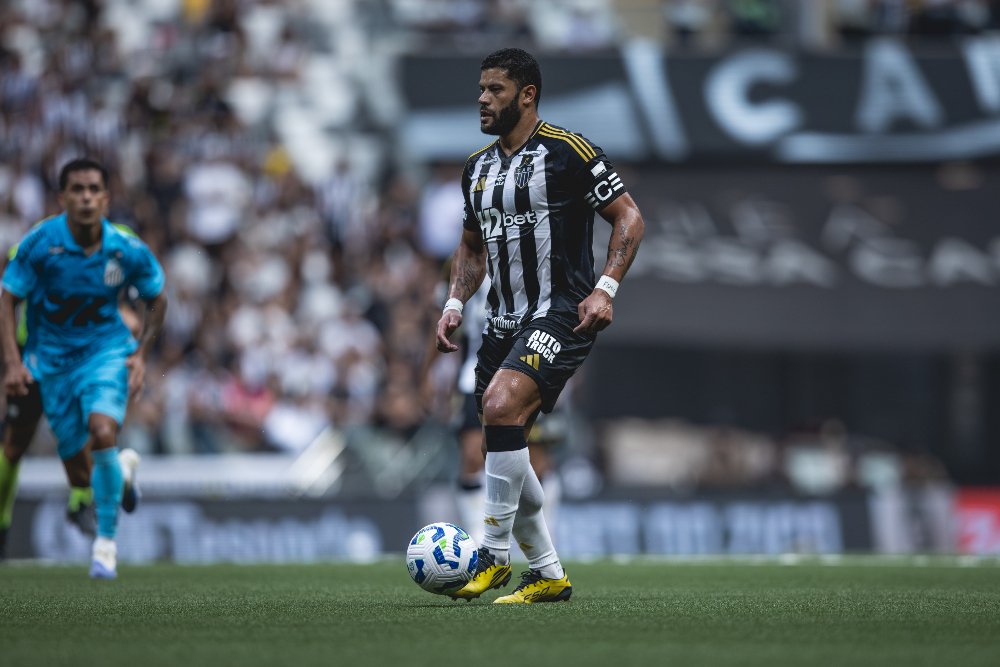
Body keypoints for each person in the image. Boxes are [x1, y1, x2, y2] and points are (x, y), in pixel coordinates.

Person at [434, 48, 645, 603]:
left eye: (495, 90)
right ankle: (549, 574)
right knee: (506, 444)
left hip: (561, 312)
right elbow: (472, 245)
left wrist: (606, 288)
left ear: (527, 94)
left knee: (501, 407)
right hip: (500, 323)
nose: (482, 99)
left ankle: (493, 555)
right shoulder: (475, 169)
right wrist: (455, 302)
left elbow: (630, 217)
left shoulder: (568, 152)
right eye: (481, 89)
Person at [0, 158, 167, 578]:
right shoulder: (40, 243)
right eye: (78, 190)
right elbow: (8, 298)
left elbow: (146, 295)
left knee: (102, 430)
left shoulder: (123, 246)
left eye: (95, 190)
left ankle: (100, 536)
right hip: (44, 357)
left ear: (107, 198)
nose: (87, 198)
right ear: (63, 198)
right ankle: (112, 481)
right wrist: (12, 363)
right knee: (55, 452)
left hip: (101, 352)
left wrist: (139, 349)